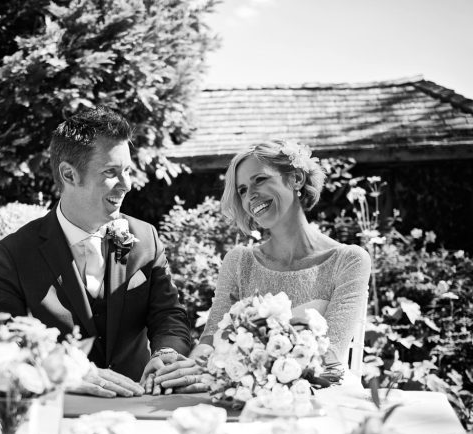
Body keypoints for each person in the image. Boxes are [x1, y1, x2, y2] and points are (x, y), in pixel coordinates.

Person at [0, 106, 192, 397]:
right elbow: (1, 346)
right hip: (62, 410)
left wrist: (167, 353)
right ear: (69, 174)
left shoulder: (146, 238)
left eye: (128, 171)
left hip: (139, 405)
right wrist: (62, 375)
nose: (127, 185)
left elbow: (168, 314)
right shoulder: (14, 254)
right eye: (111, 172)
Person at [153, 140, 371, 392]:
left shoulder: (349, 260)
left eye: (259, 180)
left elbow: (330, 354)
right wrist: (186, 368)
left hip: (317, 397)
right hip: (241, 395)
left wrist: (239, 368)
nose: (250, 196)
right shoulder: (239, 261)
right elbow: (211, 338)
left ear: (296, 179)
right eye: (242, 189)